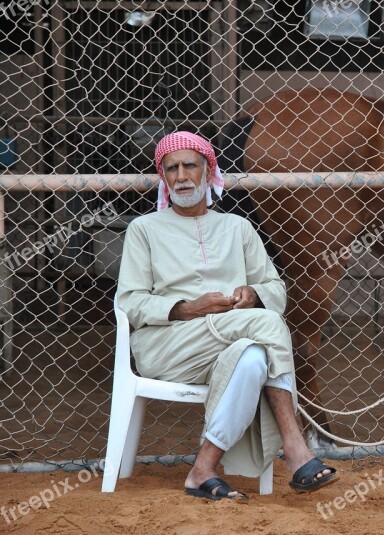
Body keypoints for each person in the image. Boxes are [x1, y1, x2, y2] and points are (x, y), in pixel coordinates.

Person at [117, 131, 337, 500]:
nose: (182, 176)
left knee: (253, 359)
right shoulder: (144, 230)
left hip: (232, 341)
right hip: (169, 345)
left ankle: (202, 470)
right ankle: (295, 447)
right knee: (268, 324)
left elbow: (276, 289)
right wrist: (188, 308)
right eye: (172, 169)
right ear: (163, 177)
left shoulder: (238, 227)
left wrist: (254, 294)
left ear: (208, 170)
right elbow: (130, 301)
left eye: (190, 165)